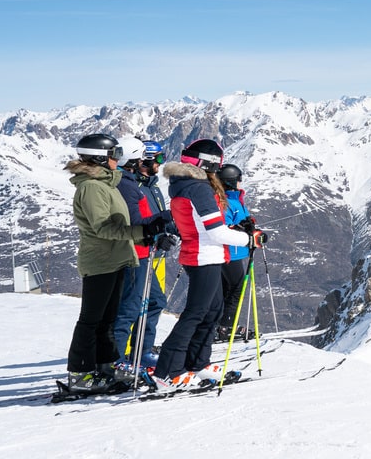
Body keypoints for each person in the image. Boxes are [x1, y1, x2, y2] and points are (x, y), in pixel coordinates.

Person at [154, 139, 267, 388]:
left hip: (208, 255)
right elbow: (216, 231)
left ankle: (197, 363)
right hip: (202, 256)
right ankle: (168, 371)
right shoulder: (199, 189)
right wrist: (250, 239)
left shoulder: (187, 185)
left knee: (212, 311)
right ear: (210, 164)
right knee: (196, 313)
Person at [63, 133, 168, 392]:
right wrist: (143, 232)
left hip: (117, 258)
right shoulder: (91, 187)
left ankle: (106, 365)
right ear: (100, 158)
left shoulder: (106, 184)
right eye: (114, 155)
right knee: (91, 320)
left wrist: (149, 226)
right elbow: (104, 228)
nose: (117, 160)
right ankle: (80, 373)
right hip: (100, 261)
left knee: (107, 319)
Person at [111, 137, 175, 372]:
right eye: (157, 158)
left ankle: (141, 352)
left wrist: (167, 229)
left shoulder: (149, 186)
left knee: (155, 302)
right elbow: (136, 222)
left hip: (147, 251)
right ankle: (117, 361)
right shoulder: (131, 187)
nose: (161, 163)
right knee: (130, 307)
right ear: (142, 161)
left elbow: (151, 219)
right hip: (135, 253)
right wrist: (161, 226)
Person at [215, 164, 254, 342]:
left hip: (235, 251)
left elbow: (241, 219)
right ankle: (227, 327)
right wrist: (241, 228)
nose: (240, 182)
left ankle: (220, 324)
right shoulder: (226, 202)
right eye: (238, 179)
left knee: (227, 289)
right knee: (237, 288)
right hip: (230, 252)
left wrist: (248, 224)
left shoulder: (235, 199)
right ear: (231, 181)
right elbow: (224, 226)